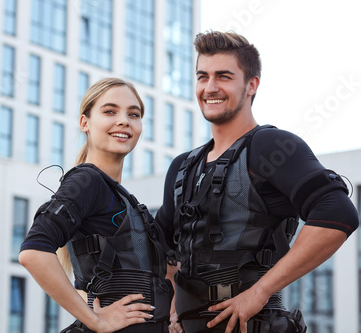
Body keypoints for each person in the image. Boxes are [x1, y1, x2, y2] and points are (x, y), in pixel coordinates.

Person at [156, 31, 359, 333]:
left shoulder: (271, 146)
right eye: (202, 77)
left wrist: (260, 291)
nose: (210, 87)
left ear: (251, 85)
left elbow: (337, 213)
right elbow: (162, 246)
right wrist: (172, 302)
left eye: (223, 76)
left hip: (255, 323)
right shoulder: (182, 166)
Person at [19, 78, 174, 333]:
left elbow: (94, 285)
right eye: (110, 111)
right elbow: (33, 252)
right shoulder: (87, 180)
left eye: (133, 114)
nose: (124, 120)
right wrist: (97, 320)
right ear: (85, 123)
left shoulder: (117, 194)